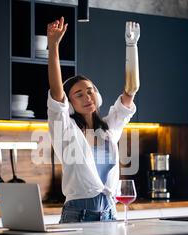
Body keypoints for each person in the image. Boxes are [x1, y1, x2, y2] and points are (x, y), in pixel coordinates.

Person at [47, 16, 140, 223]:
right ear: (69, 104)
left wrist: (131, 45)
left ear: (97, 96)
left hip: (110, 214)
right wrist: (53, 46)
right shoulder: (65, 130)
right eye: (79, 95)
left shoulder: (109, 129)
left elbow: (131, 90)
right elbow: (56, 93)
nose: (87, 97)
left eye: (90, 92)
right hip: (77, 215)